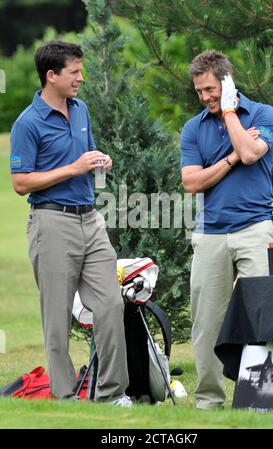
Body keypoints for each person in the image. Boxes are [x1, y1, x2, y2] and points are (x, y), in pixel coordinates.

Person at [10, 40, 132, 406]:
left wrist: (98, 161)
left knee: (111, 304)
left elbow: (85, 156)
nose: (81, 77)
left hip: (90, 221)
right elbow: (20, 183)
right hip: (51, 224)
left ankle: (112, 394)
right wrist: (73, 169)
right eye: (74, 72)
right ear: (52, 76)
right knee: (57, 318)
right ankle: (64, 397)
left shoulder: (81, 110)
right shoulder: (27, 123)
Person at [180, 50, 273, 410]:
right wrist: (231, 158)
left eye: (209, 89)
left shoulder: (265, 114)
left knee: (263, 316)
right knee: (206, 322)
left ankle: (260, 398)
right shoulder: (193, 128)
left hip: (255, 229)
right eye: (199, 92)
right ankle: (208, 400)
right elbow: (192, 182)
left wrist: (229, 111)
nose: (204, 97)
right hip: (210, 235)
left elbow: (252, 152)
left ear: (226, 84)